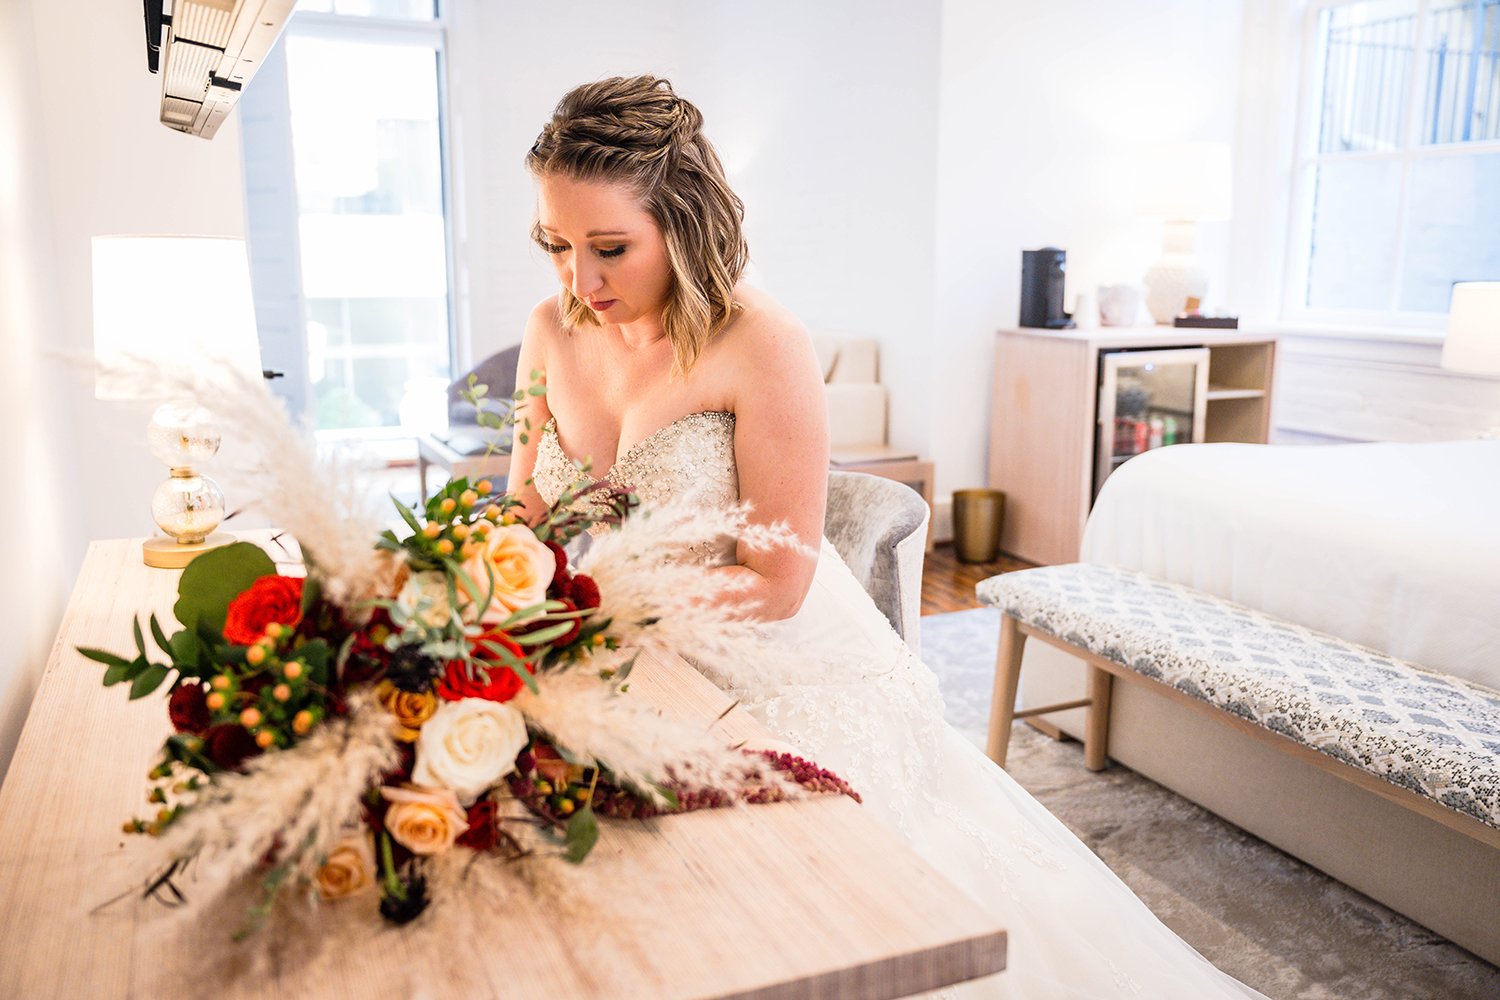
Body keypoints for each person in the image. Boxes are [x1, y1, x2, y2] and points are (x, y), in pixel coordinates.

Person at [508, 75, 1264, 999]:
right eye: (557, 246)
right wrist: (487, 563)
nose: (579, 283)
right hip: (615, 647)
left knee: (800, 894)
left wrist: (597, 609)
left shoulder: (762, 343)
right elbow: (527, 506)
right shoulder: (550, 328)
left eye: (610, 249)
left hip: (777, 658)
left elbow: (776, 585)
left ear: (685, 224)